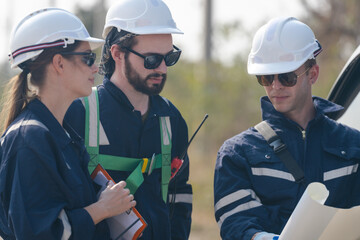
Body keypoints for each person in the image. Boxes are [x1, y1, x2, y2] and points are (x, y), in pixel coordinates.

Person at [213, 16, 360, 240]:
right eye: (266, 77)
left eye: (287, 77)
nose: (275, 86)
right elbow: (236, 224)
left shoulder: (353, 146)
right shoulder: (237, 154)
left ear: (313, 74)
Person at [0, 8, 136, 239]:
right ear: (59, 64)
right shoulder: (29, 140)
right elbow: (37, 234)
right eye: (87, 58)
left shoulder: (60, 134)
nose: (96, 67)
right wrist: (101, 209)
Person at [64, 0, 192, 239]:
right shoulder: (76, 115)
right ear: (118, 53)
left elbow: (180, 197)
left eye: (170, 57)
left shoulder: (172, 120)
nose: (163, 69)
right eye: (152, 59)